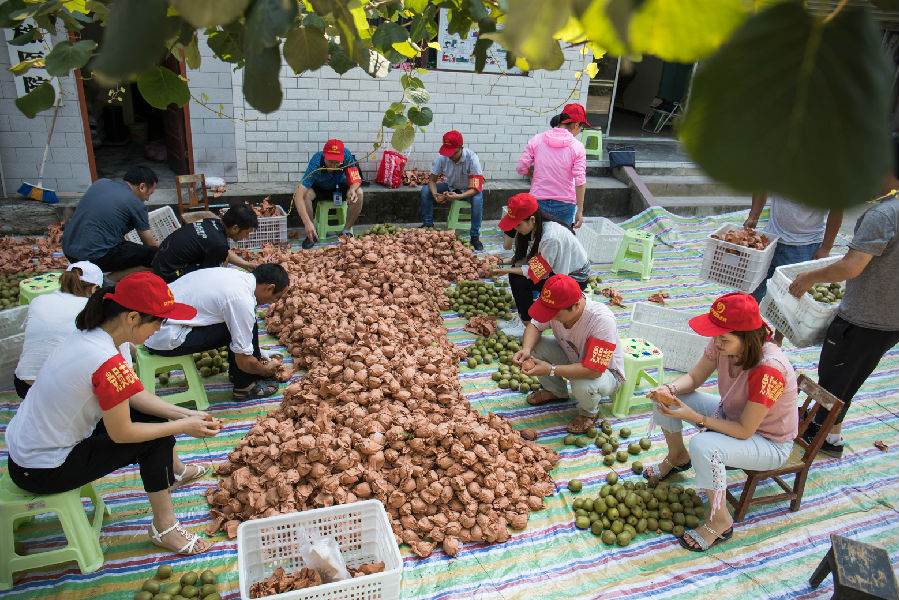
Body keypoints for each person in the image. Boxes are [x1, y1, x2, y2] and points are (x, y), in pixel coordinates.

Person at [5, 272, 222, 556]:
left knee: (158, 422)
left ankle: (176, 472)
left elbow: (133, 394)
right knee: (155, 438)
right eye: (158, 321)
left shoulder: (94, 335)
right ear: (132, 318)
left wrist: (183, 414)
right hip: (43, 468)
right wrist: (181, 427)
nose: (159, 329)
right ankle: (164, 527)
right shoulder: (104, 360)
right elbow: (123, 433)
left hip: (30, 450)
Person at [643, 292, 798, 552]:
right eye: (716, 336)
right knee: (665, 400)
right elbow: (693, 378)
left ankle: (720, 519)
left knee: (704, 446)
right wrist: (669, 388)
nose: (717, 342)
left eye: (724, 338)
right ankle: (677, 455)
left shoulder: (770, 368)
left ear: (748, 338)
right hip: (732, 414)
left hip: (767, 441)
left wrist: (694, 418)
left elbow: (744, 430)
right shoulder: (722, 344)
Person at [787, 143, 899, 458]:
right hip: (891, 319)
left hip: (864, 317)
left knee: (832, 381)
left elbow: (851, 267)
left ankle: (816, 436)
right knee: (850, 379)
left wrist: (810, 277)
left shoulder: (883, 214)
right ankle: (832, 436)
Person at [145, 264, 289, 401]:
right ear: (270, 288)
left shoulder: (236, 276)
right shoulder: (241, 299)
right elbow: (244, 360)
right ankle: (245, 387)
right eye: (275, 297)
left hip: (149, 323)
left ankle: (237, 374)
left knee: (244, 323)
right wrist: (265, 370)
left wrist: (257, 353)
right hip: (161, 336)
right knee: (245, 325)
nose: (271, 302)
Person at [512, 274, 624, 433]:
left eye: (556, 315)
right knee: (536, 346)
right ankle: (556, 392)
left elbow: (593, 370)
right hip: (573, 357)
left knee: (583, 383)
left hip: (605, 373)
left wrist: (550, 369)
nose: (552, 318)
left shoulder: (601, 320)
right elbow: (534, 326)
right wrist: (526, 349)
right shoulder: (555, 305)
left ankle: (588, 413)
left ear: (577, 305)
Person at [491, 193, 590, 337]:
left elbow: (536, 271)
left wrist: (505, 270)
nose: (516, 229)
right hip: (556, 270)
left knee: (518, 279)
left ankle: (526, 323)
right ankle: (524, 317)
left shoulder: (550, 237)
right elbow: (527, 258)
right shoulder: (536, 227)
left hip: (575, 279)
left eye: (518, 224)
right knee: (516, 273)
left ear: (531, 219)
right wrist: (500, 262)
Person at [13, 261, 104, 399]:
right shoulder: (93, 309)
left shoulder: (39, 300)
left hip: (24, 386)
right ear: (94, 289)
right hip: (65, 392)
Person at [61, 166, 160, 281]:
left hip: (69, 250)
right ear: (142, 187)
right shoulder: (136, 204)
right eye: (149, 194)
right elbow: (149, 243)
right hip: (93, 256)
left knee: (129, 247)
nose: (147, 199)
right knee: (154, 255)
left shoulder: (101, 183)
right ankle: (107, 281)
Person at [744, 193, 842, 306]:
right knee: (751, 291)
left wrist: (826, 248)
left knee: (789, 301)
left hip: (804, 245)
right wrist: (753, 216)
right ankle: (747, 320)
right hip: (771, 239)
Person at [516, 103, 589, 228]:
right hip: (565, 205)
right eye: (581, 128)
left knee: (538, 240)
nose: (579, 131)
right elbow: (580, 181)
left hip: (538, 202)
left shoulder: (537, 140)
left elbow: (521, 167)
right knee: (561, 242)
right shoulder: (577, 147)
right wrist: (580, 211)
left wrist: (531, 174)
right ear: (576, 125)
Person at [152, 202, 258, 283]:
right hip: (168, 275)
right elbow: (212, 277)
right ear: (235, 228)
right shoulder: (218, 244)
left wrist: (246, 265)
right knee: (217, 275)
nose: (246, 237)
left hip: (159, 262)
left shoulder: (211, 222)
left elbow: (223, 251)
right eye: (247, 233)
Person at [420, 130, 485, 250]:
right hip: (451, 187)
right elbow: (432, 180)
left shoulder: (472, 159)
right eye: (448, 153)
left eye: (453, 153)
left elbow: (476, 188)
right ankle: (428, 225)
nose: (450, 156)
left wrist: (458, 197)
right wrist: (435, 195)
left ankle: (475, 236)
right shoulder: (442, 157)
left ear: (461, 148)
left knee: (477, 200)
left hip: (468, 190)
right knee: (425, 191)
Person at [293, 139, 363, 249]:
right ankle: (311, 233)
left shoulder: (347, 156)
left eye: (337, 163)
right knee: (306, 195)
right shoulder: (316, 163)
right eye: (330, 162)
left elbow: (356, 179)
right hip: (320, 188)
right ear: (324, 155)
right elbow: (298, 195)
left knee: (359, 193)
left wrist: (353, 189)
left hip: (339, 186)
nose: (333, 166)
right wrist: (306, 223)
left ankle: (346, 231)